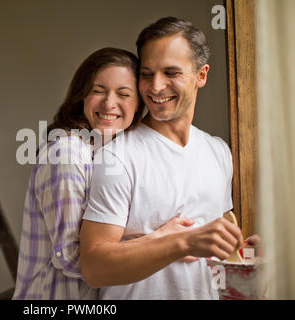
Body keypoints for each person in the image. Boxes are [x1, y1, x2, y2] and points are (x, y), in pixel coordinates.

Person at [80, 17, 254, 300]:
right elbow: (94, 268)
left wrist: (246, 253)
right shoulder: (117, 157)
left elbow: (220, 247)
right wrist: (181, 242)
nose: (156, 87)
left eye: (170, 72)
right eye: (147, 74)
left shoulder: (218, 151)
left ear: (201, 75)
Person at [12, 47, 147, 299]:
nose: (109, 103)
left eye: (124, 94)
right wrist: (163, 246)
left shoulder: (112, 152)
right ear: (81, 96)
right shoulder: (67, 153)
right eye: (98, 91)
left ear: (138, 104)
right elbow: (72, 256)